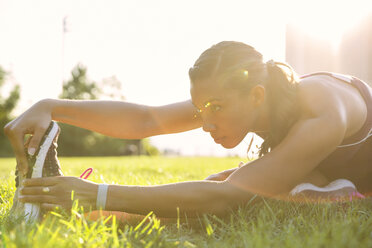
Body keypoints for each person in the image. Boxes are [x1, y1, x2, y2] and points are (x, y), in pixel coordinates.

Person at [4, 41, 371, 219]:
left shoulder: (322, 109)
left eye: (215, 110)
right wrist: (50, 107)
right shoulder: (244, 97)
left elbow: (225, 196)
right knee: (218, 184)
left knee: (235, 192)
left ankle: (325, 188)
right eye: (200, 110)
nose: (205, 122)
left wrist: (96, 195)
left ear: (256, 95)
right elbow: (148, 120)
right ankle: (320, 184)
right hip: (325, 166)